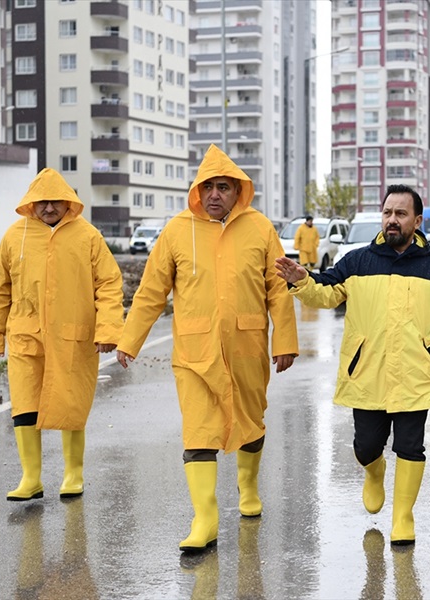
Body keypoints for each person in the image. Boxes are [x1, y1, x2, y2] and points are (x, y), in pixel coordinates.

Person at [116, 144, 298, 553]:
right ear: (197, 190)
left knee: (250, 421)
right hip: (194, 355)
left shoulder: (260, 228)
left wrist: (284, 339)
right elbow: (150, 292)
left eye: (223, 187)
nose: (215, 194)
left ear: (238, 192)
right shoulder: (178, 230)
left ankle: (248, 488)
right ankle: (205, 518)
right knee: (198, 432)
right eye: (208, 187)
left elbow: (278, 290)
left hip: (247, 347)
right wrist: (130, 340)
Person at [275, 184, 430, 546]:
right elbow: (327, 293)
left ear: (417, 220)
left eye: (401, 214)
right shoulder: (358, 261)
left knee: (411, 446)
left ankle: (403, 518)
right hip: (367, 373)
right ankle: (374, 472)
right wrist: (302, 281)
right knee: (365, 447)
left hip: (415, 373)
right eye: (388, 213)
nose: (392, 220)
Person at [0, 168, 124, 502]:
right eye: (42, 201)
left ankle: (73, 473)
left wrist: (108, 329)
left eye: (55, 202)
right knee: (25, 405)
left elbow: (109, 283)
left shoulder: (88, 237)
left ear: (67, 202)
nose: (48, 208)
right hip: (25, 335)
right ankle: (31, 477)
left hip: (73, 336)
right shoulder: (14, 237)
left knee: (70, 402)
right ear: (31, 202)